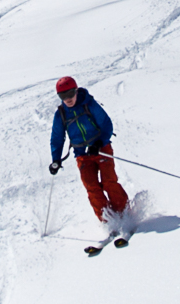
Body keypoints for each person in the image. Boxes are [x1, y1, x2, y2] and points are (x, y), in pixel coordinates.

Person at [48, 76, 128, 228]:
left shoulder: (89, 104)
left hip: (101, 149)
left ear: (76, 91)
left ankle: (123, 214)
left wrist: (99, 142)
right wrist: (56, 159)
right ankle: (108, 221)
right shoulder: (61, 114)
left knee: (109, 182)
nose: (68, 99)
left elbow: (106, 124)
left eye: (70, 94)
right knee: (91, 187)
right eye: (63, 96)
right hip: (82, 155)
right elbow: (57, 138)